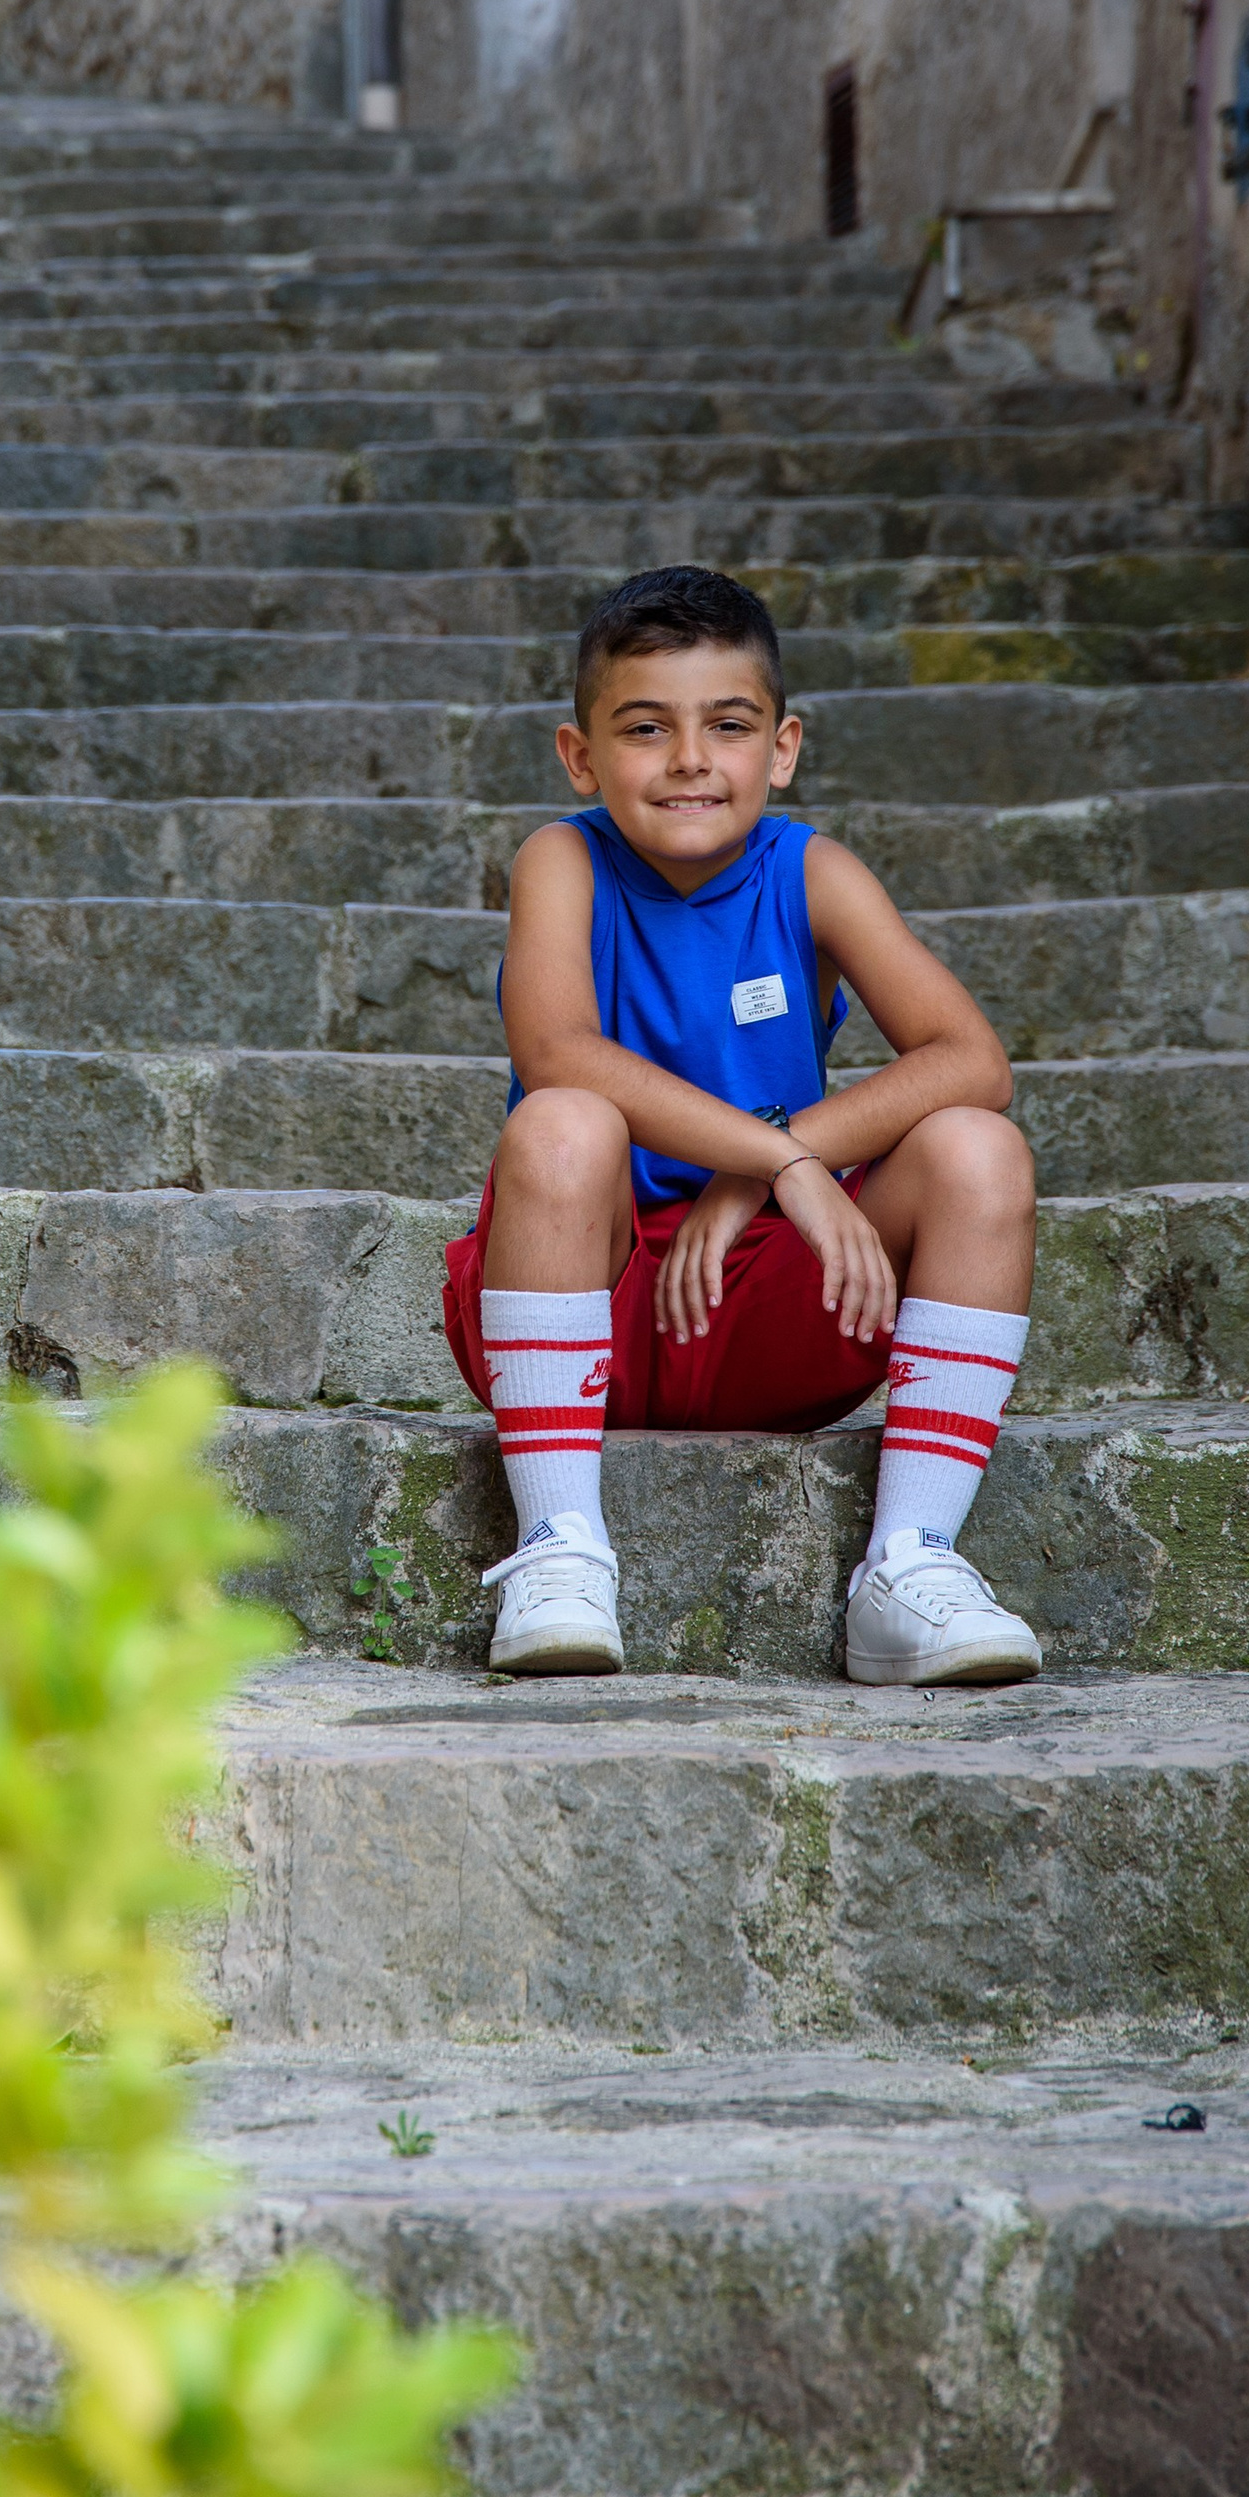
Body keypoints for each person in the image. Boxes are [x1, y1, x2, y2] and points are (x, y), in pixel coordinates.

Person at [443, 561, 1043, 1684]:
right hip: (590, 1303)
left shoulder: (808, 870)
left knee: (977, 1146)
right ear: (580, 755)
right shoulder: (561, 857)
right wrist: (779, 1155)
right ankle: (558, 1544)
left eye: (726, 723)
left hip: (764, 1311)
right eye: (643, 727)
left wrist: (759, 1176)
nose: (687, 759)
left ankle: (907, 1565)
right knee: (563, 1121)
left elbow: (972, 1058)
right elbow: (556, 1051)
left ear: (781, 746)